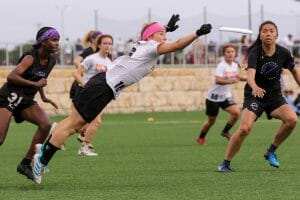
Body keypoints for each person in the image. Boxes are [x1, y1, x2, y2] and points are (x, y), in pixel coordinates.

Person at [32, 14, 212, 184]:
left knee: (76, 124)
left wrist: (165, 28)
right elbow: (178, 45)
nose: (164, 37)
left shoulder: (144, 43)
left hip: (104, 87)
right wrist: (197, 33)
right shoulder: (150, 47)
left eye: (165, 34)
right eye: (161, 34)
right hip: (103, 87)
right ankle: (42, 160)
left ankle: (45, 149)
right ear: (151, 36)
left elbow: (150, 33)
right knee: (74, 125)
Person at [217, 21, 300, 172]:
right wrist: (255, 87)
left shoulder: (284, 53)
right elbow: (250, 76)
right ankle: (225, 163)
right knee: (244, 129)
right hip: (254, 96)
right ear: (260, 35)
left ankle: (271, 151)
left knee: (292, 120)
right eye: (265, 31)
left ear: (276, 35)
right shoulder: (255, 53)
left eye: (271, 31)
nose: (268, 33)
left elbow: (294, 71)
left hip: (274, 97)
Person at [0, 27, 60, 180]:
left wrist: (43, 96)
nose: (57, 43)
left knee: (45, 124)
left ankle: (25, 163)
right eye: (53, 40)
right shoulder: (30, 58)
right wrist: (34, 86)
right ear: (43, 41)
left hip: (25, 100)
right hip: (8, 98)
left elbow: (40, 80)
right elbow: (11, 77)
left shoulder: (52, 60)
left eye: (58, 40)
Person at [73, 34, 114, 156]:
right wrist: (86, 85)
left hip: (98, 97)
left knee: (78, 124)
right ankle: (84, 148)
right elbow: (76, 74)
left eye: (110, 43)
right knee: (96, 121)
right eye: (105, 43)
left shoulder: (109, 63)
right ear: (99, 45)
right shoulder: (91, 58)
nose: (107, 46)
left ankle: (55, 130)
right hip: (85, 94)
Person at [196, 44, 246, 145]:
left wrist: (250, 80)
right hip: (213, 98)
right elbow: (218, 80)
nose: (230, 54)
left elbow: (237, 77)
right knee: (211, 121)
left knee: (236, 112)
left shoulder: (235, 65)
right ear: (224, 54)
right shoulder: (221, 65)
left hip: (225, 96)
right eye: (228, 52)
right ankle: (201, 137)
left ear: (235, 53)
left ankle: (225, 131)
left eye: (232, 52)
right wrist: (232, 81)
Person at [69, 30, 102, 150]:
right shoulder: (89, 51)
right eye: (99, 38)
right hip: (80, 86)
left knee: (82, 120)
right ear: (93, 40)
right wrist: (84, 69)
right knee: (86, 120)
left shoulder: (100, 54)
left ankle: (58, 131)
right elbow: (76, 60)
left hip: (91, 88)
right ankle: (83, 141)